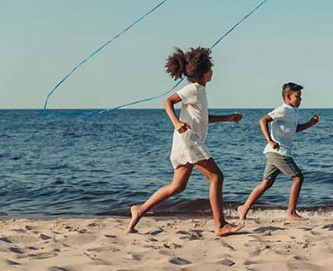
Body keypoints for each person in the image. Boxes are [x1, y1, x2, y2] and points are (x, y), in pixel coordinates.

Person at [127, 47, 243, 236]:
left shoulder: (200, 91)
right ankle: (220, 225)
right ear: (205, 73)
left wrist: (227, 118)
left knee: (177, 186)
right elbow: (167, 102)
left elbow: (202, 118)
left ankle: (139, 210)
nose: (212, 72)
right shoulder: (193, 89)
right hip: (188, 141)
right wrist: (176, 122)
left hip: (186, 142)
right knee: (216, 177)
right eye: (210, 69)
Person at [237, 82, 320, 221]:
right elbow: (263, 120)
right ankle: (291, 211)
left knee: (267, 183)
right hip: (278, 151)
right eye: (297, 96)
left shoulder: (293, 111)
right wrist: (270, 140)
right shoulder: (284, 110)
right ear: (288, 97)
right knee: (298, 178)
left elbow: (294, 129)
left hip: (276, 152)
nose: (300, 99)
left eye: (300, 96)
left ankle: (244, 208)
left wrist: (310, 124)